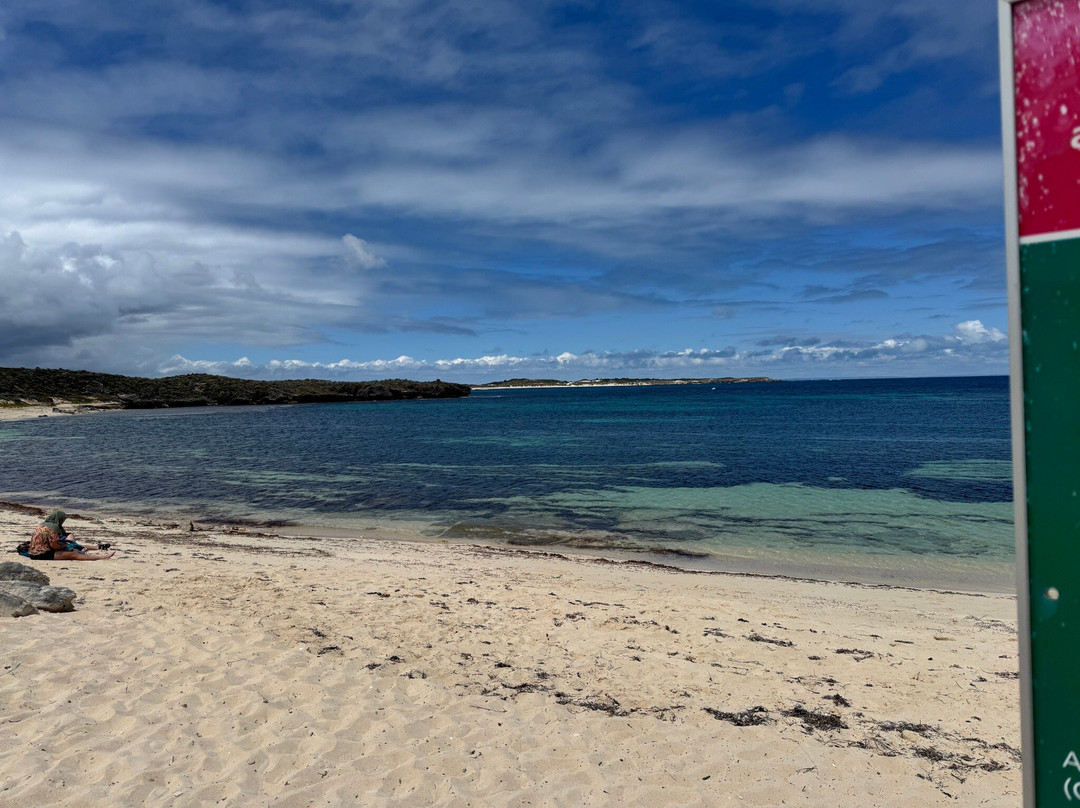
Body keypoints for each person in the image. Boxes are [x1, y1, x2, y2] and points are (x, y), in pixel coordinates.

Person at [27, 510, 114, 561]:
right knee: (73, 555)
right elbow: (55, 546)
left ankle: (95, 549)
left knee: (70, 547)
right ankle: (100, 557)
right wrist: (64, 545)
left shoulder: (42, 525)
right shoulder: (52, 529)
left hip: (33, 551)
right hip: (41, 554)